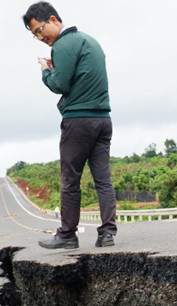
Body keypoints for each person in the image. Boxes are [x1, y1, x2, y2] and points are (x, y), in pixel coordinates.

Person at [23, 2, 117, 249]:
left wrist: (46, 71)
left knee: (70, 180)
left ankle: (67, 235)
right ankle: (107, 234)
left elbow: (60, 86)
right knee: (103, 180)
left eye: (40, 30)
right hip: (103, 119)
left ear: (53, 19)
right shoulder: (91, 41)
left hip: (78, 121)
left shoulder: (62, 45)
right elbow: (81, 76)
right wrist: (58, 68)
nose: (41, 37)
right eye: (35, 35)